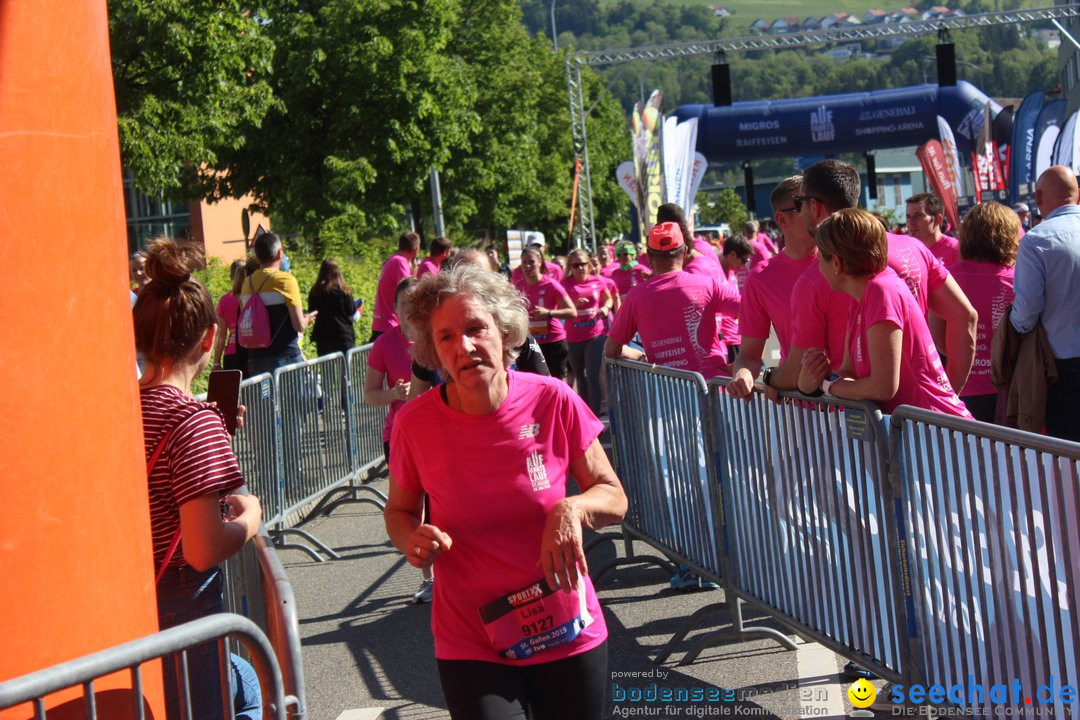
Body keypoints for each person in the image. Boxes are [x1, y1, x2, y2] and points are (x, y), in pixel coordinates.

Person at [384, 263, 627, 720]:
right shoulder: (414, 424)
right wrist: (411, 541)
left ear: (505, 331)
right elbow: (399, 512)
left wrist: (572, 508)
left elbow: (612, 494)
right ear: (433, 352)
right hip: (470, 637)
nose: (466, 346)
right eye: (447, 338)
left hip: (565, 625)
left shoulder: (553, 399)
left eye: (476, 328)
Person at [133, 237, 263, 720]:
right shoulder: (193, 422)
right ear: (210, 338)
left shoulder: (120, 410)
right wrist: (250, 517)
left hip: (136, 597)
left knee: (244, 680)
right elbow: (203, 548)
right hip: (184, 602)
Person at [773, 160, 977, 396]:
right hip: (913, 418)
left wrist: (768, 379)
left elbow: (797, 370)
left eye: (800, 203)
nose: (800, 211)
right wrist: (950, 393)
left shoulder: (819, 278)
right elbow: (965, 316)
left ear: (815, 207)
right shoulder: (912, 247)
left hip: (893, 421)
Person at [797, 209, 971, 419]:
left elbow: (883, 387)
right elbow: (849, 372)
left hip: (937, 434)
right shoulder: (862, 294)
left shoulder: (882, 290)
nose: (817, 266)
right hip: (919, 432)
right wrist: (812, 379)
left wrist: (826, 385)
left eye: (819, 259)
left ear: (836, 263)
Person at [604, 221, 738, 379]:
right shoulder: (706, 285)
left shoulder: (635, 296)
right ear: (685, 251)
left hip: (668, 393)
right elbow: (755, 310)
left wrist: (640, 356)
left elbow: (611, 349)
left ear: (649, 256)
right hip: (711, 388)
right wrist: (744, 363)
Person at [729, 176, 820, 398]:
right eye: (803, 205)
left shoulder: (845, 260)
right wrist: (742, 375)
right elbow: (749, 355)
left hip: (854, 403)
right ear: (782, 219)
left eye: (817, 202)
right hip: (798, 402)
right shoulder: (761, 278)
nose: (814, 211)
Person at [1009, 165, 1080, 441]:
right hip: (1062, 362)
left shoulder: (1036, 240)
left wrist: (1010, 327)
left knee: (1069, 452)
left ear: (1038, 198)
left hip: (1063, 366)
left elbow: (1026, 312)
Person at [939, 202, 1018, 423]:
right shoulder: (1018, 279)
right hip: (1008, 385)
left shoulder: (946, 277)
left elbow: (936, 336)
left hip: (961, 385)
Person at [241, 232, 317, 376]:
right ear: (279, 254)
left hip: (256, 358)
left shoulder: (247, 283)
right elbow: (298, 325)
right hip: (285, 357)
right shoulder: (286, 280)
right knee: (293, 399)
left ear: (257, 256)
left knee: (266, 399)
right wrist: (307, 319)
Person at [561, 248, 613, 415]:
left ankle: (595, 416)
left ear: (589, 264)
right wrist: (573, 306)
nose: (580, 268)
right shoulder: (564, 284)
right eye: (575, 265)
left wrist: (605, 308)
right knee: (580, 379)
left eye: (583, 264)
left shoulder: (597, 281)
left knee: (592, 376)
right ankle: (584, 415)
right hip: (573, 336)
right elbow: (557, 308)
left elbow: (609, 298)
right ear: (570, 267)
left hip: (595, 334)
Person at [513, 247, 576, 380]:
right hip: (529, 343)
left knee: (555, 386)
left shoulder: (551, 285)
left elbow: (572, 312)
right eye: (524, 262)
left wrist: (550, 313)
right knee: (533, 385)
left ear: (540, 262)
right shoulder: (517, 286)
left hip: (553, 342)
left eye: (531, 262)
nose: (528, 266)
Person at [371, 231, 420, 342]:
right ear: (417, 249)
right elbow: (409, 291)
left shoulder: (392, 260)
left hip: (382, 322)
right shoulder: (400, 262)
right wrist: (415, 273)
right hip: (390, 324)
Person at [307, 258, 358, 357]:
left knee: (326, 370)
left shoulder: (315, 292)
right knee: (345, 371)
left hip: (323, 337)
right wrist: (359, 310)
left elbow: (312, 314)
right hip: (343, 337)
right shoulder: (344, 292)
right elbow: (352, 317)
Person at [211, 259, 250, 375]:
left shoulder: (224, 300)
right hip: (250, 351)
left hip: (231, 355)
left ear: (231, 276)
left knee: (235, 392)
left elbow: (221, 335)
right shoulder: (251, 297)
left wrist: (217, 363)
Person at [719, 235, 752, 364]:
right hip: (727, 342)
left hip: (738, 337)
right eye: (744, 260)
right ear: (732, 255)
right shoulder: (715, 273)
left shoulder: (733, 273)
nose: (744, 265)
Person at [906, 192, 960, 266]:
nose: (911, 222)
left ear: (938, 219)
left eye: (918, 216)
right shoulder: (906, 253)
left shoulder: (957, 250)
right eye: (908, 216)